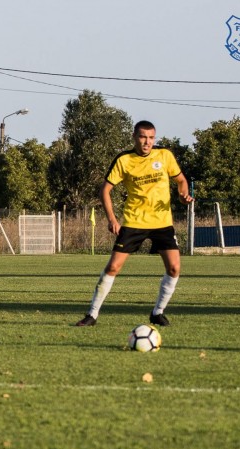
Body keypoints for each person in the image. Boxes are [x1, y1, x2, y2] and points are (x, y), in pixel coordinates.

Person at [76, 120, 194, 327]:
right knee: (113, 267)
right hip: (134, 221)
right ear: (134, 137)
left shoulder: (165, 155)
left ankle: (157, 312)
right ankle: (92, 314)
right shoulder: (124, 160)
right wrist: (112, 219)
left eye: (151, 138)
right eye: (142, 137)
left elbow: (181, 180)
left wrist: (183, 195)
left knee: (174, 268)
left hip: (162, 222)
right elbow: (105, 190)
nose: (147, 142)